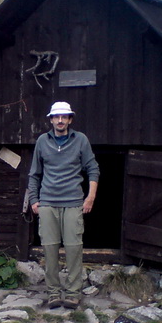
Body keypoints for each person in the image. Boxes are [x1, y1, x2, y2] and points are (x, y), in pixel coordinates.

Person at [27, 101, 99, 310]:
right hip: (48, 202)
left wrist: (90, 196)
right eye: (56, 117)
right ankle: (53, 293)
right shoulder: (42, 141)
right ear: (50, 119)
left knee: (73, 249)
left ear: (70, 119)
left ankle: (73, 292)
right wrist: (34, 200)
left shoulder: (81, 140)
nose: (60, 120)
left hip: (73, 202)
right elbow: (34, 174)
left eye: (64, 117)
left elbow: (92, 168)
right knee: (49, 250)